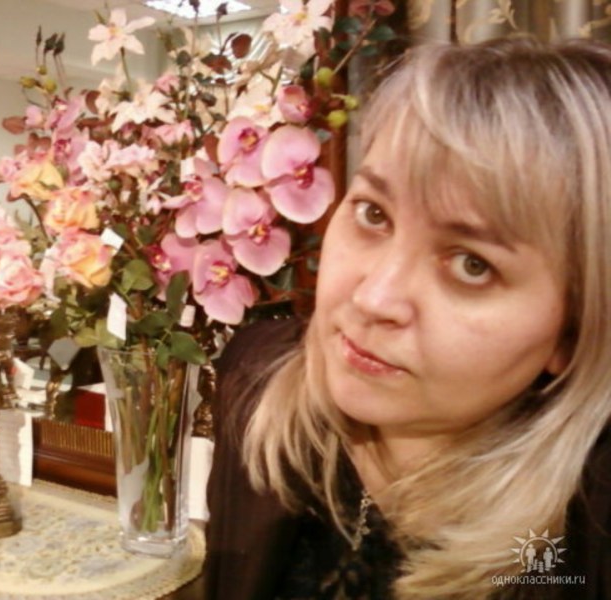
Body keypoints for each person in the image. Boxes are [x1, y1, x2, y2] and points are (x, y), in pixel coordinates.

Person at [204, 37, 611, 600]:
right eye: (374, 213)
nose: (374, 299)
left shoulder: (588, 529)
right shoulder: (255, 376)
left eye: (472, 265)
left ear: (574, 330)